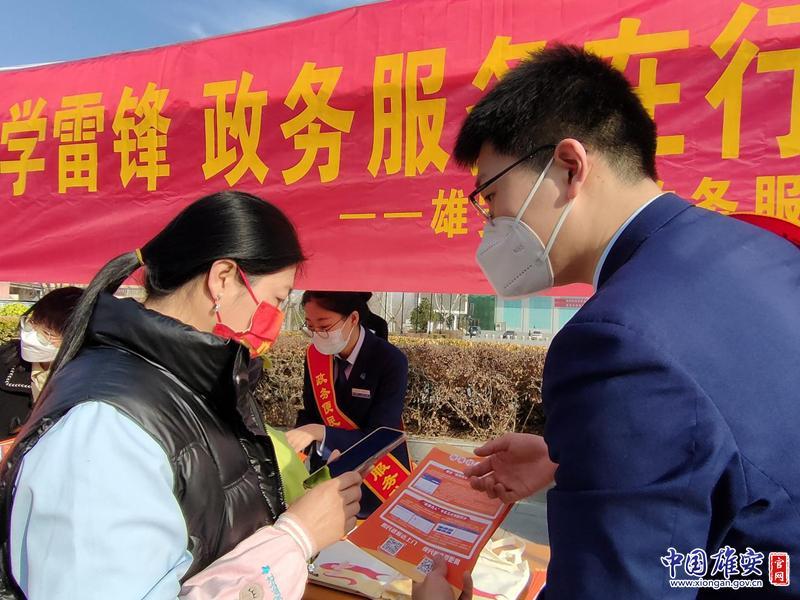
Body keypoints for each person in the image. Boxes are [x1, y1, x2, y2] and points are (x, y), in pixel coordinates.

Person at [450, 45, 800, 597]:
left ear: (569, 166)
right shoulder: (761, 250)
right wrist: (577, 459)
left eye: (491, 195)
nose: (490, 222)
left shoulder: (615, 342)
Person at [0, 191, 363, 599]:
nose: (276, 325)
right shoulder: (106, 429)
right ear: (222, 279)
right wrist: (293, 539)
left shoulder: (191, 387)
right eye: (277, 300)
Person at [287, 291, 410, 516]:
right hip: (326, 476)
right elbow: (311, 412)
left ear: (353, 319)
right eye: (310, 327)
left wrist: (319, 432)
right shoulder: (315, 356)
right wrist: (291, 454)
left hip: (375, 478)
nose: (317, 335)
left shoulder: (390, 360)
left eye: (324, 326)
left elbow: (381, 436)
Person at [0, 287, 82, 438]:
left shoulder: (87, 383)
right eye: (31, 323)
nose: (32, 336)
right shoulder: (5, 362)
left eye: (47, 334)